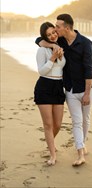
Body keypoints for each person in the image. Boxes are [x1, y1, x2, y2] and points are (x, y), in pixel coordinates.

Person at [35, 14, 92, 166]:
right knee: (76, 121)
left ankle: (82, 143)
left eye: (57, 27)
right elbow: (39, 40)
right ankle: (76, 152)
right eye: (53, 29)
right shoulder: (59, 41)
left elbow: (89, 70)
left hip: (83, 88)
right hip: (67, 89)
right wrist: (52, 47)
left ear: (66, 28)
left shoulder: (86, 43)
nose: (55, 30)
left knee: (83, 120)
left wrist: (87, 93)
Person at [34, 22, 66, 166]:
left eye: (54, 32)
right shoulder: (42, 50)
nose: (52, 35)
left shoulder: (60, 45)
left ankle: (50, 143)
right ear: (44, 37)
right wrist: (52, 58)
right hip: (45, 87)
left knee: (58, 124)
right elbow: (41, 71)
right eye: (49, 35)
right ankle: (52, 155)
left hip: (58, 87)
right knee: (48, 124)